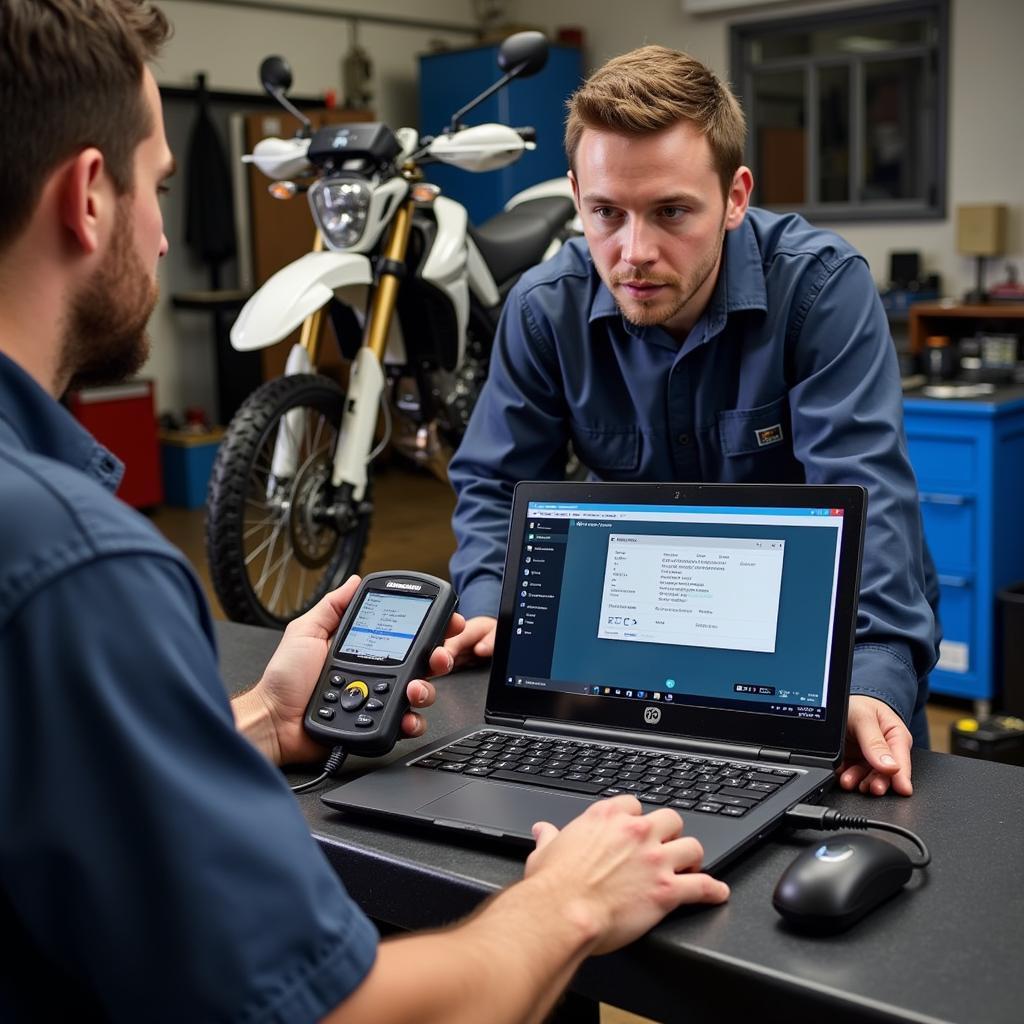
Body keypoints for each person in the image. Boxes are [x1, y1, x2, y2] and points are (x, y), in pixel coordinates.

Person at [0, 4, 730, 1020]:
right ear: (89, 195)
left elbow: (48, 788)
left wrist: (259, 718)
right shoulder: (75, 565)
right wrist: (565, 902)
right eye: (159, 186)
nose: (165, 230)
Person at [447, 45, 939, 800]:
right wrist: (489, 606)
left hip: (806, 671)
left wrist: (873, 682)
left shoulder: (820, 290)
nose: (635, 254)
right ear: (577, 195)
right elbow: (493, 484)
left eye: (672, 211)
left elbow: (869, 501)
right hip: (622, 665)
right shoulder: (545, 310)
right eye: (606, 213)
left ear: (735, 197)